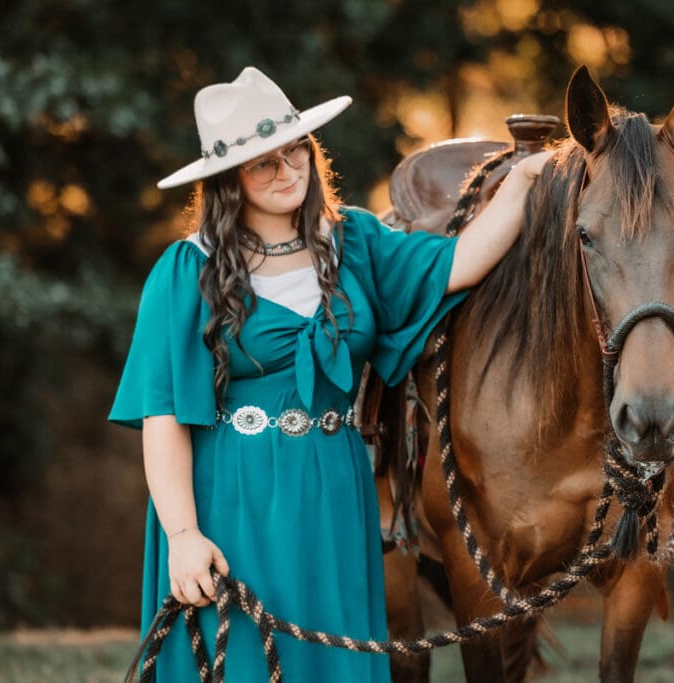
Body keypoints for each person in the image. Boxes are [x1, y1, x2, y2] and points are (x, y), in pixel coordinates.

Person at [109, 66, 551, 681]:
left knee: (332, 659)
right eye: (264, 163)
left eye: (296, 152)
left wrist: (527, 177)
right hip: (231, 497)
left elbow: (463, 262)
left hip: (336, 492)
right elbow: (162, 417)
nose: (288, 171)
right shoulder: (188, 271)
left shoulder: (356, 245)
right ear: (227, 180)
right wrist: (183, 534)